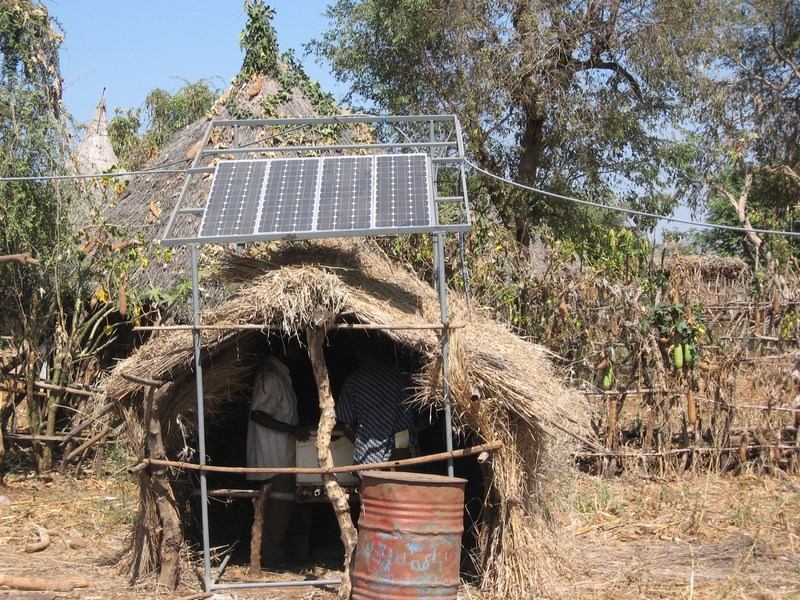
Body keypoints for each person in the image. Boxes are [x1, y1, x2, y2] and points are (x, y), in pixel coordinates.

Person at [246, 351, 309, 567]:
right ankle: (271, 559)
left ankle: (275, 556)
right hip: (273, 457)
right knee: (278, 508)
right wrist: (292, 429)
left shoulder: (279, 374)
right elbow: (258, 414)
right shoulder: (271, 376)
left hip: (281, 455)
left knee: (282, 507)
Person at [335, 350, 419, 466]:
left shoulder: (354, 380)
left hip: (369, 455)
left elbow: (345, 422)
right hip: (402, 445)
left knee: (371, 478)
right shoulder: (403, 376)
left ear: (359, 354)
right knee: (403, 477)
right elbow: (416, 414)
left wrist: (362, 444)